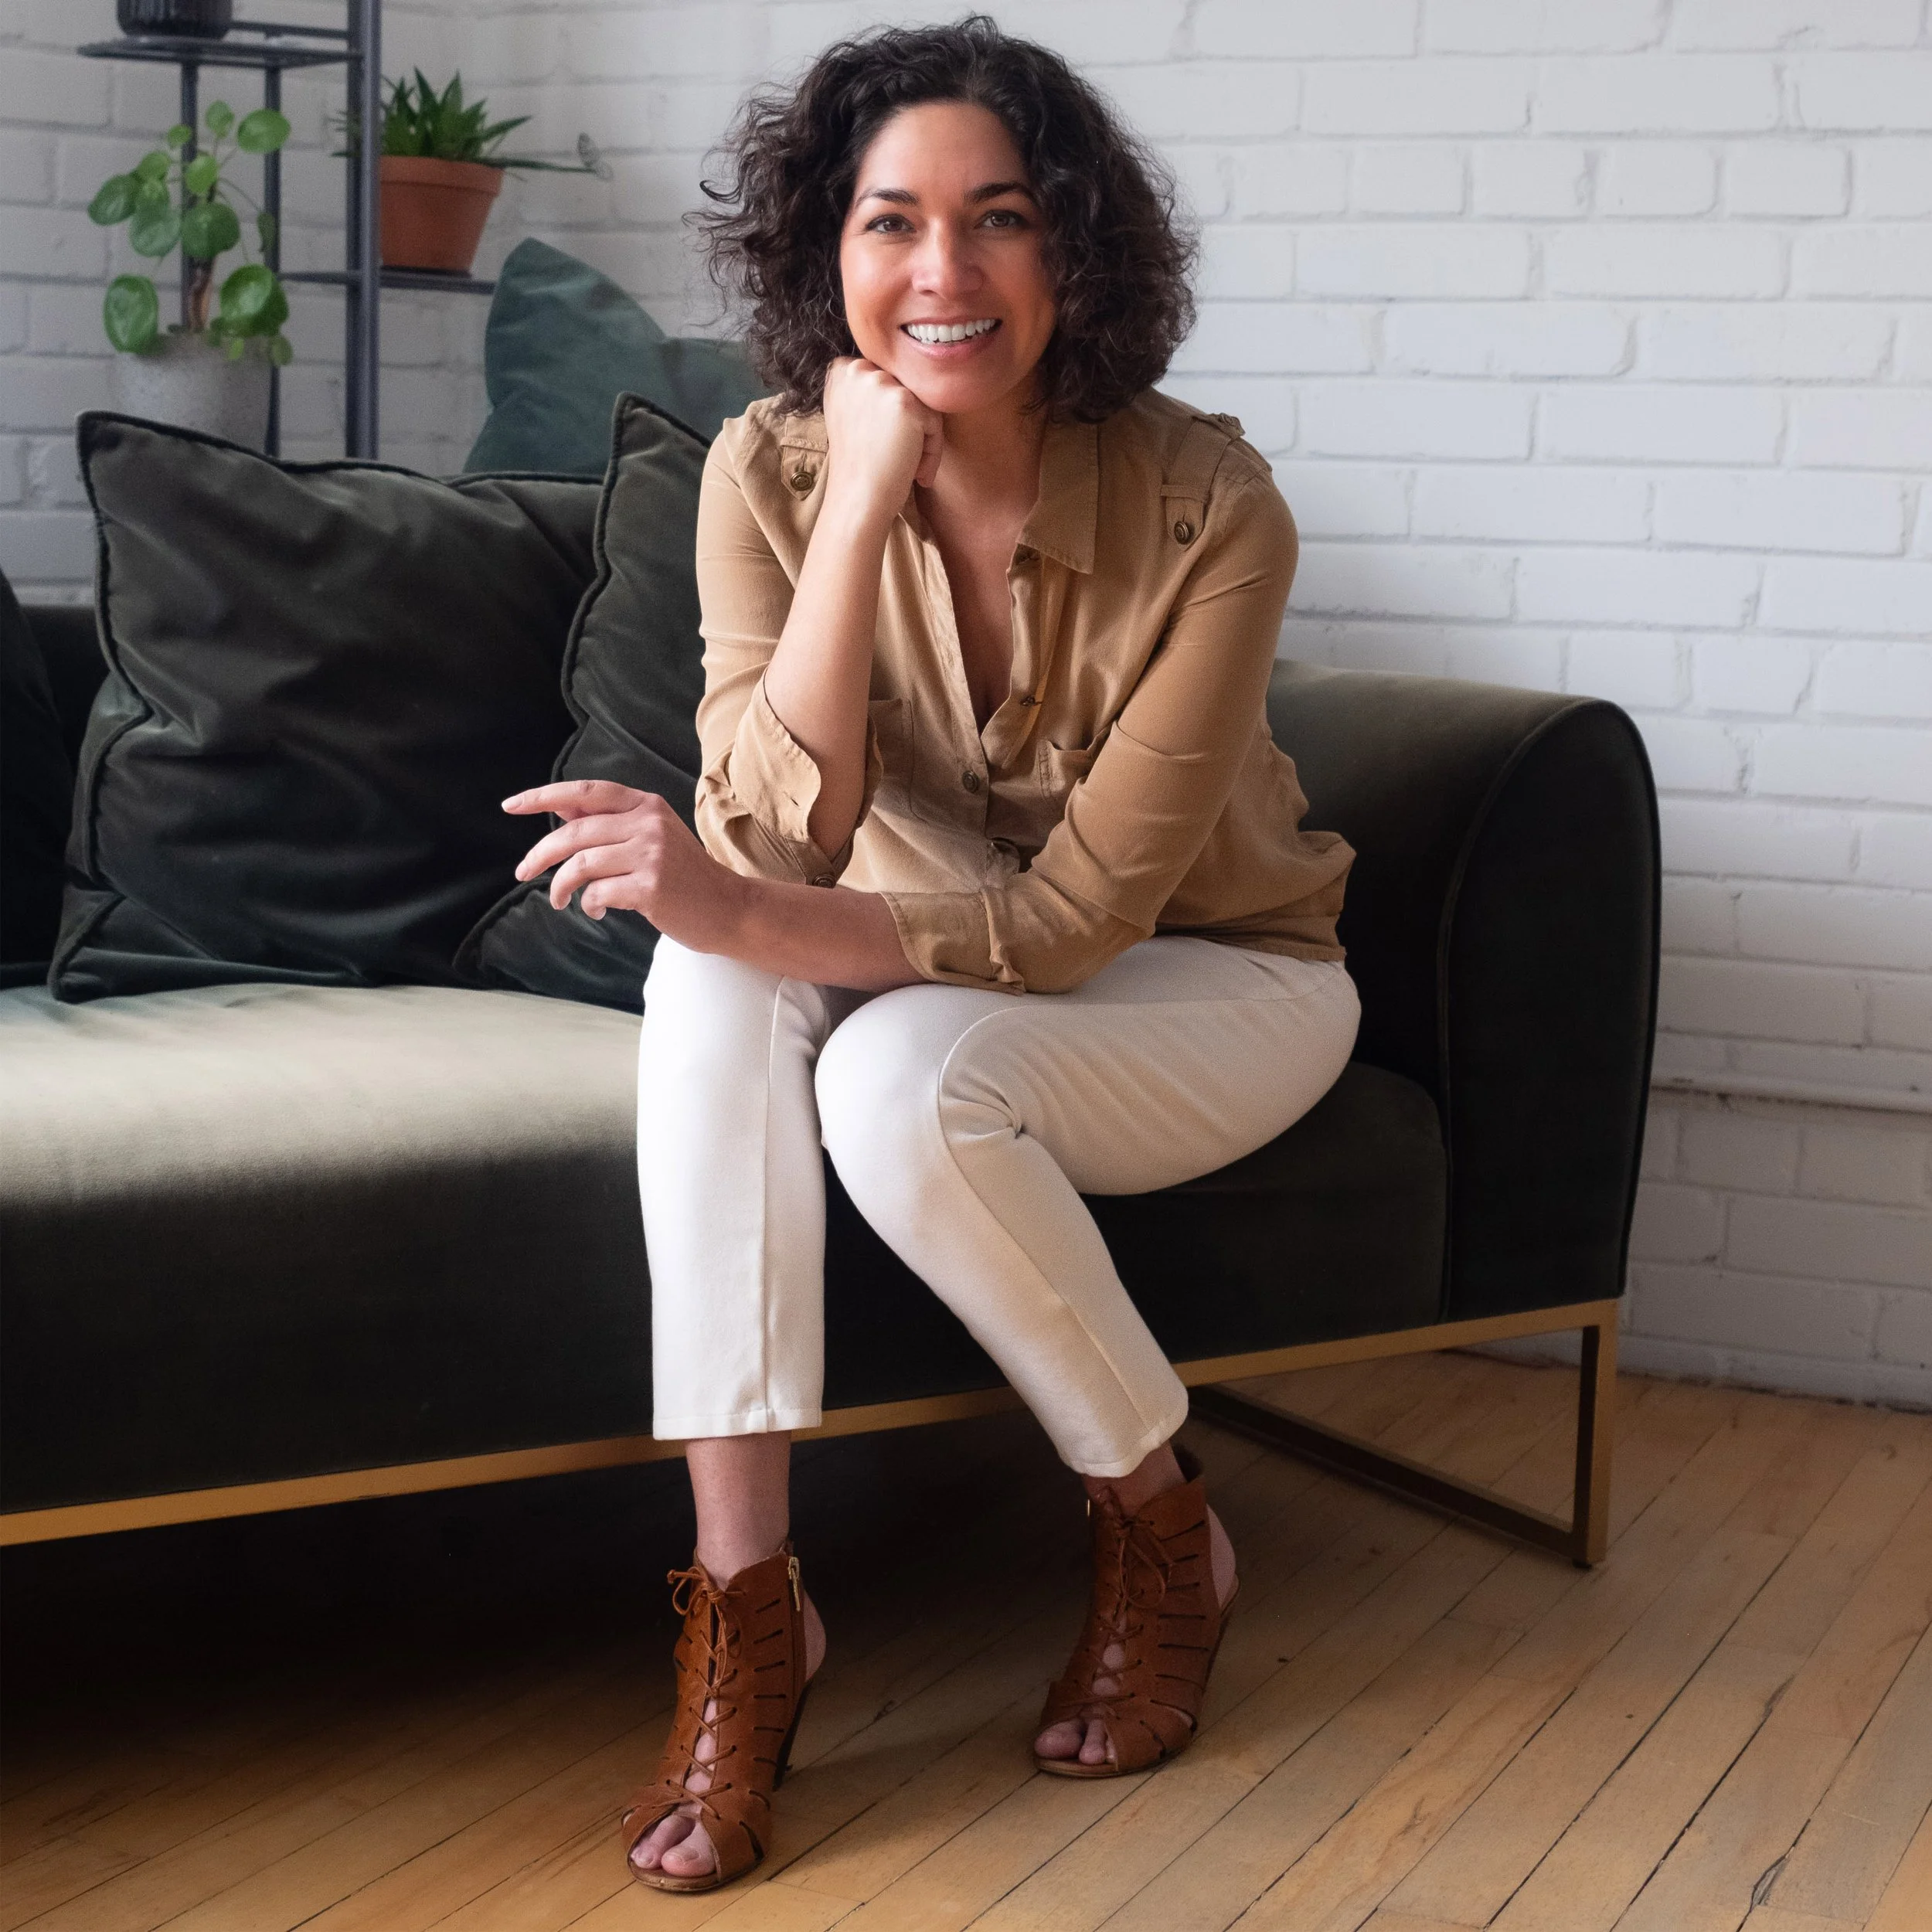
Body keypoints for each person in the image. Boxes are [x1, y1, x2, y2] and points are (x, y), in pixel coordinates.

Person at [504, 15, 1358, 1896]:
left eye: (998, 220)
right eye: (891, 223)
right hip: (908, 943)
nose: (941, 275)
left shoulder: (1217, 507)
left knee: (885, 1066)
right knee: (717, 979)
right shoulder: (767, 467)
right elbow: (775, 836)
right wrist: (864, 503)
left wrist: (728, 900)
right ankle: (747, 1612)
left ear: (1075, 250)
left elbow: (1071, 925)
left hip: (1213, 980)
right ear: (828, 248)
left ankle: (1158, 1531)